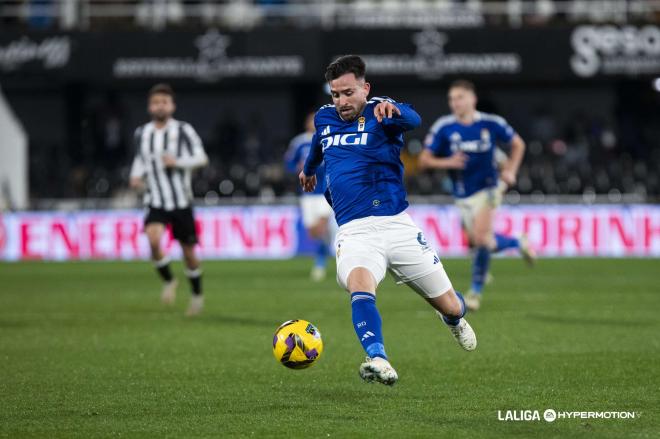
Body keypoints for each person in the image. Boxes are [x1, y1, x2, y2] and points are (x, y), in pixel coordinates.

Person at [300, 55, 476, 386]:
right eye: (335, 94)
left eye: (348, 92)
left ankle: (452, 319)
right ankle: (378, 358)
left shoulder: (382, 113)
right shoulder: (325, 117)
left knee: (452, 306)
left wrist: (391, 106)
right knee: (360, 285)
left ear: (365, 88)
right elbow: (318, 145)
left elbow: (414, 118)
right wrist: (308, 170)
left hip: (397, 226)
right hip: (354, 231)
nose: (341, 101)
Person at [418, 79, 536, 312]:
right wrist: (448, 162)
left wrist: (510, 170)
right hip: (462, 195)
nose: (455, 103)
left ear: (473, 99)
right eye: (451, 99)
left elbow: (518, 144)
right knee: (482, 242)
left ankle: (475, 293)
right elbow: (424, 160)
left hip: (489, 189)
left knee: (481, 240)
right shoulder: (444, 127)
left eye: (460, 97)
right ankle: (517, 242)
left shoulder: (491, 123)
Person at [129, 83, 209, 316]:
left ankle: (196, 296)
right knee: (153, 240)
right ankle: (169, 280)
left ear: (172, 106)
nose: (159, 106)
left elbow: (201, 158)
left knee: (189, 254)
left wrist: (178, 162)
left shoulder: (184, 130)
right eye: (155, 102)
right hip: (155, 199)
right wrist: (135, 175)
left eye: (164, 102)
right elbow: (141, 159)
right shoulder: (141, 133)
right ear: (149, 107)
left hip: (181, 201)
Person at [284, 110, 335, 281]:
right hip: (307, 194)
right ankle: (327, 244)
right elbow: (289, 164)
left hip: (325, 191)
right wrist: (298, 168)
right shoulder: (299, 142)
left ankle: (319, 264)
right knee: (313, 232)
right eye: (310, 120)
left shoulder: (329, 138)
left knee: (320, 226)